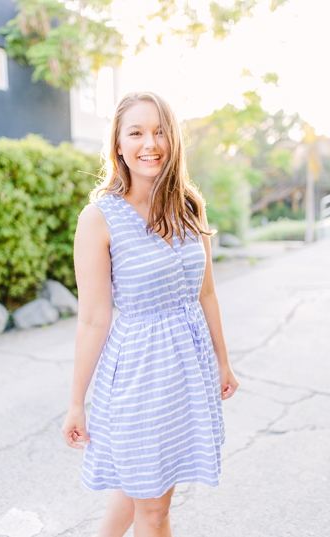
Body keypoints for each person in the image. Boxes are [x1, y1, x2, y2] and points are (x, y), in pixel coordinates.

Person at [61, 91, 239, 537]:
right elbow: (93, 319)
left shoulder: (189, 206)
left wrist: (222, 360)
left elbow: (207, 294)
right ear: (118, 145)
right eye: (136, 132)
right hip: (141, 373)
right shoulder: (99, 218)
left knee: (144, 484)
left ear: (173, 139)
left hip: (189, 368)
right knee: (154, 509)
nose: (150, 143)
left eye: (160, 131)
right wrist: (76, 403)